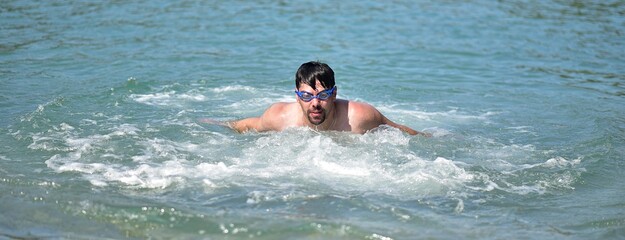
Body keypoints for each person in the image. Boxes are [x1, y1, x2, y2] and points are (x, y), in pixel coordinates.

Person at [204, 61, 429, 136]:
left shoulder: (360, 116)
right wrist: (218, 124)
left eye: (322, 95)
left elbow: (400, 131)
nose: (315, 103)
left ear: (334, 94)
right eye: (306, 95)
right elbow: (248, 125)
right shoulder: (279, 117)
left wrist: (433, 137)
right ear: (297, 96)